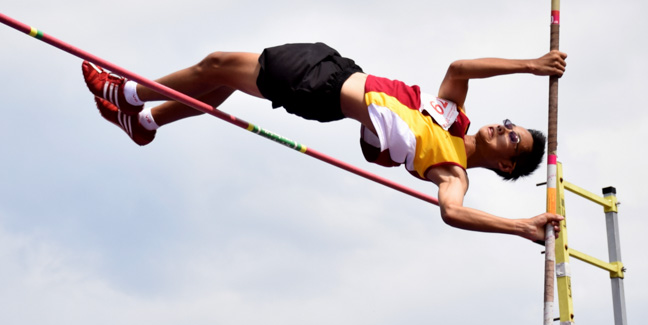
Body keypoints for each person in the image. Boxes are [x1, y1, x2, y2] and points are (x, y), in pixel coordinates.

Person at [82, 43, 567, 243]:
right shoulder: (454, 117)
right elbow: (460, 69)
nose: (502, 128)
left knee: (217, 64)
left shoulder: (451, 169)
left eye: (511, 138)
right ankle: (148, 123)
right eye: (508, 123)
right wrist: (528, 65)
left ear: (505, 165)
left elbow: (453, 212)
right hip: (339, 70)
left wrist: (521, 226)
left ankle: (124, 92)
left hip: (324, 90)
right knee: (227, 79)